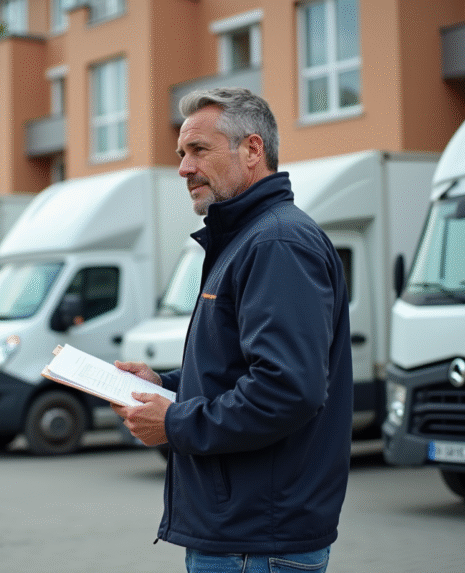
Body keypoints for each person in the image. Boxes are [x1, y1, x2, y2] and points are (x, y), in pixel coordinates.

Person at [111, 87, 353, 573]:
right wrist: (166, 386)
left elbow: (286, 390)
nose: (183, 168)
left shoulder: (276, 243)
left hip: (257, 542)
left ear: (252, 150)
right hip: (244, 535)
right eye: (181, 154)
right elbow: (238, 368)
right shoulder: (247, 240)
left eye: (199, 150)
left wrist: (173, 422)